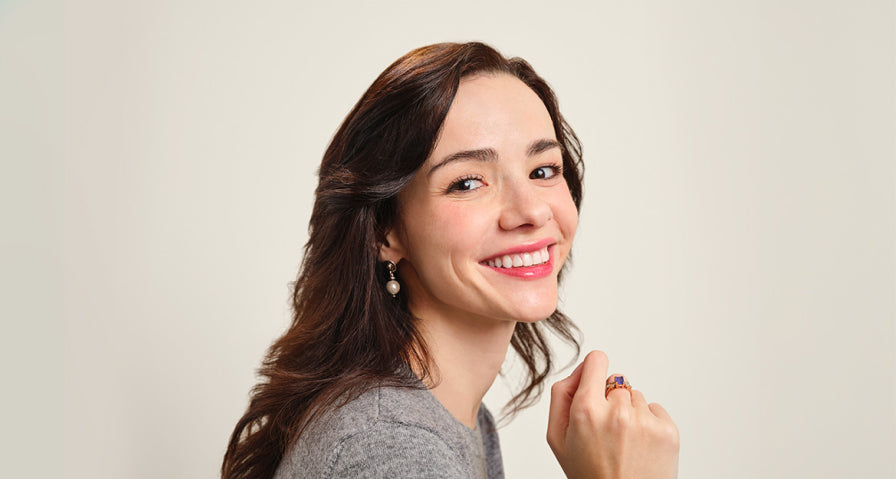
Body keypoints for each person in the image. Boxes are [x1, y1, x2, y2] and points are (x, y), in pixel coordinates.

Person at [222, 42, 679, 479]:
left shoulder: (453, 417)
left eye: (543, 170)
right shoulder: (392, 447)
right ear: (386, 230)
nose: (532, 211)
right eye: (467, 182)